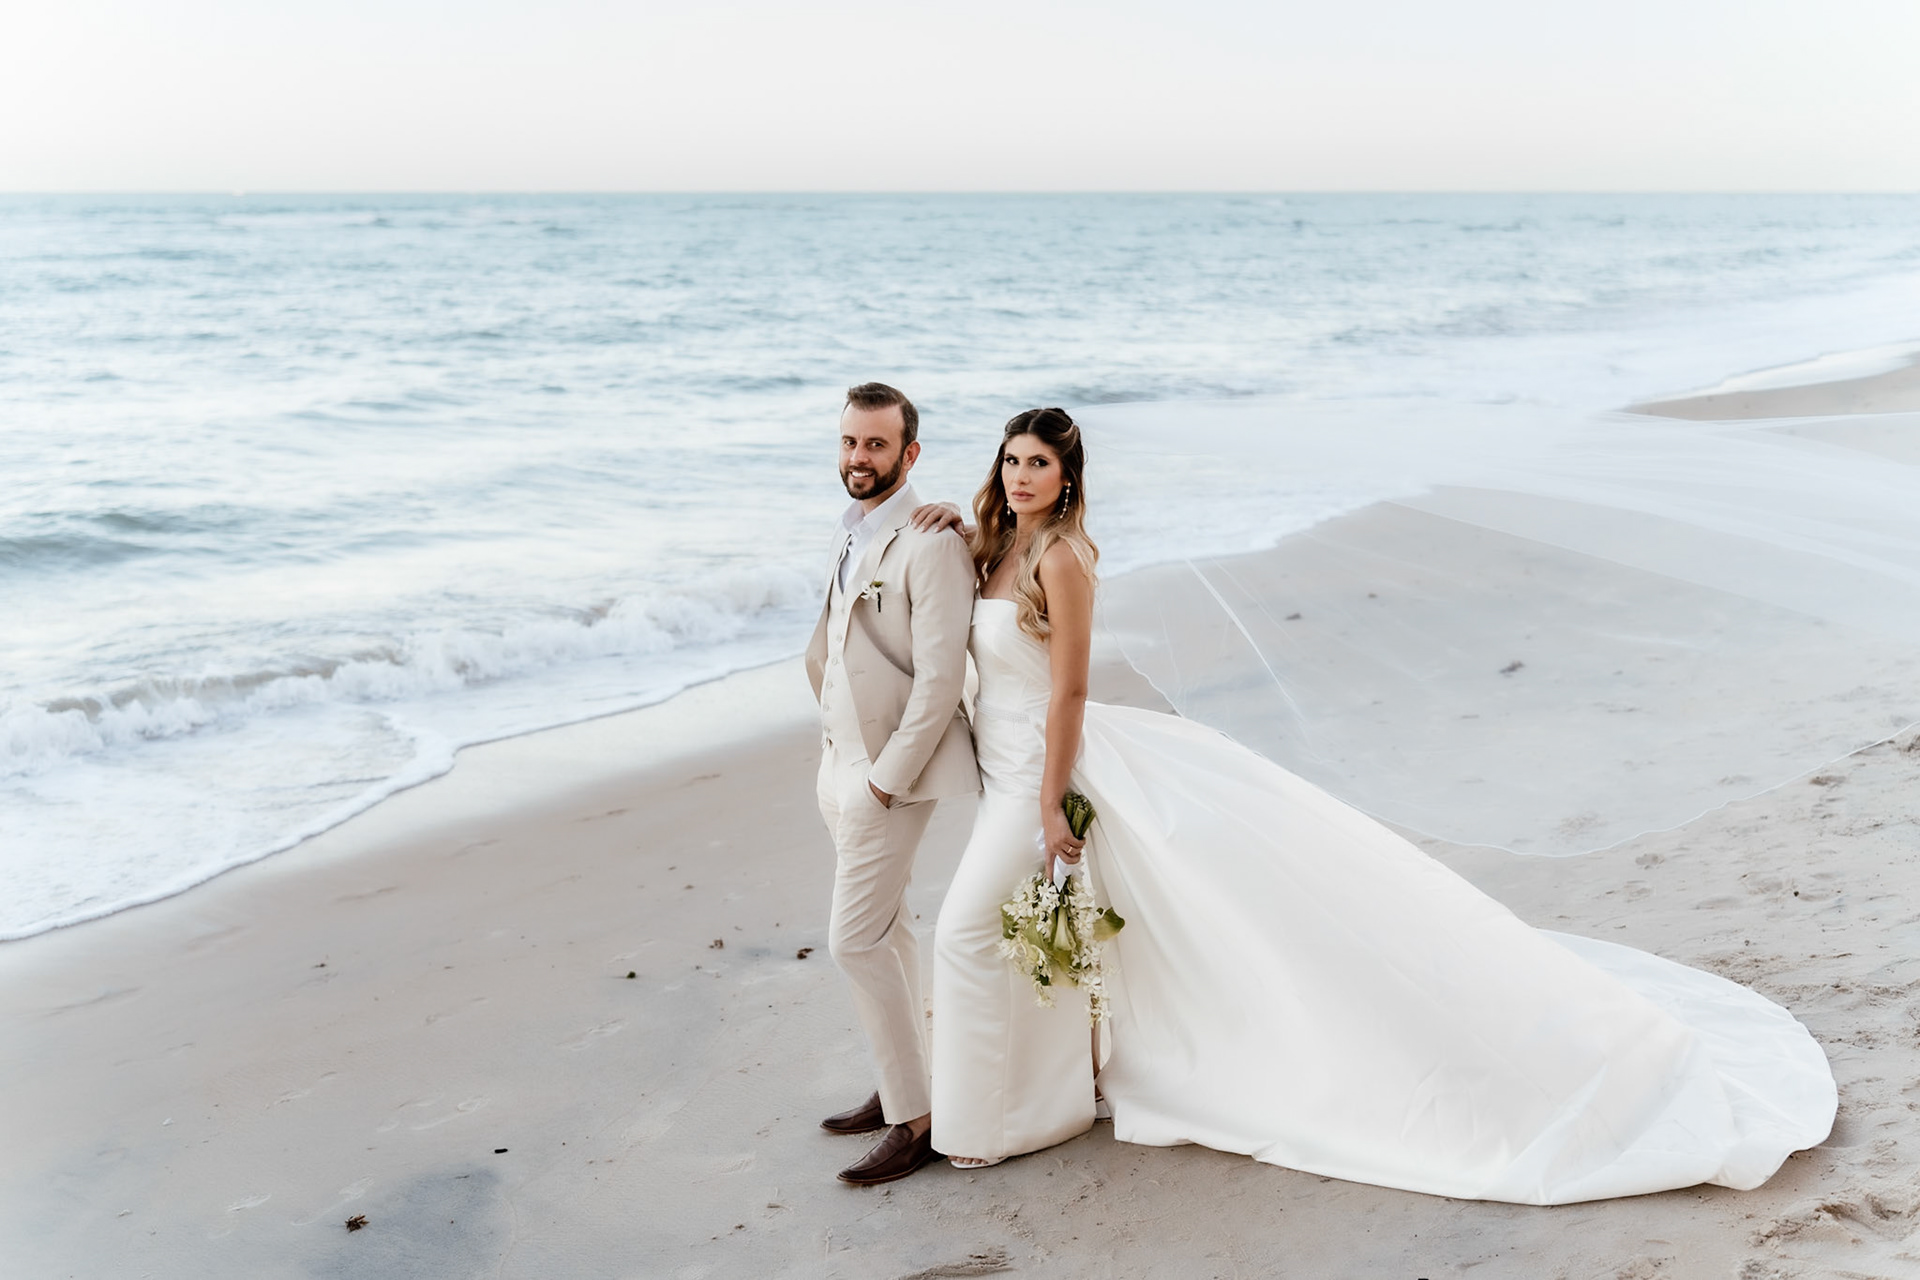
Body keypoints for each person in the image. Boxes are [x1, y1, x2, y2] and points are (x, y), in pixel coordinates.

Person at [925, 406, 1837, 1201]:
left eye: (1038, 462)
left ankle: (981, 1125)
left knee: (968, 930)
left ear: (1068, 474)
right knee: (1062, 932)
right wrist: (932, 523)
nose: (1021, 475)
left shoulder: (1064, 561)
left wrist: (1052, 803)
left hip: (1049, 771)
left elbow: (1071, 692)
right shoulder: (997, 545)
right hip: (1003, 768)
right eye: (1010, 460)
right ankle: (1037, 1099)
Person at [805, 382, 979, 1186]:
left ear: (910, 454)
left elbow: (942, 680)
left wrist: (883, 782)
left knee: (855, 940)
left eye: (875, 445)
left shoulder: (932, 541)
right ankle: (900, 1082)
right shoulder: (851, 534)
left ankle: (917, 1122)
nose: (857, 458)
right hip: (837, 765)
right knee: (892, 932)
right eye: (849, 442)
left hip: (885, 780)